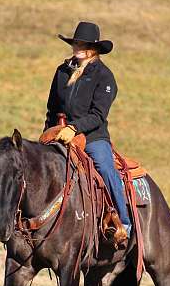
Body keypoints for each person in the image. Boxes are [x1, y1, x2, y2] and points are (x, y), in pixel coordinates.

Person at [44, 21, 131, 239]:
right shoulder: (62, 71)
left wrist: (74, 128)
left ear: (94, 49)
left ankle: (124, 221)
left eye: (82, 44)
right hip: (60, 133)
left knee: (104, 166)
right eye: (75, 43)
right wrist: (48, 132)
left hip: (92, 136)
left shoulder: (104, 76)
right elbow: (52, 108)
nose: (77, 47)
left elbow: (98, 115)